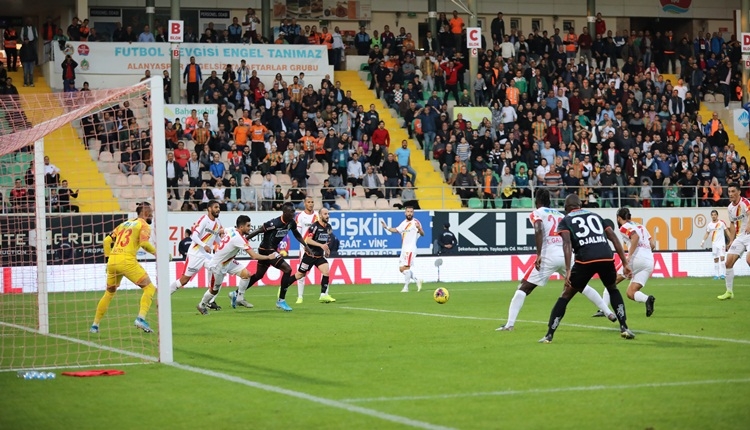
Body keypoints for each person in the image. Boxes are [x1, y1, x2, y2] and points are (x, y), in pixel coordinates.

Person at [497, 189, 616, 331]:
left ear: (537, 201)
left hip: (549, 255)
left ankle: (509, 324)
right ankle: (608, 312)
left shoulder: (537, 213)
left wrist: (539, 253)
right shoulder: (560, 215)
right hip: (566, 255)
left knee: (524, 288)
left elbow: (538, 228)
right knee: (582, 286)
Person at [538, 194, 635, 343]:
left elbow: (567, 244)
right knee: (613, 289)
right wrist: (625, 262)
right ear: (580, 205)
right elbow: (613, 238)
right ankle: (624, 327)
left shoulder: (566, 221)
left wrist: (569, 270)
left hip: (585, 260)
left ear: (566, 208)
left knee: (565, 296)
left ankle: (549, 334)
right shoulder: (595, 216)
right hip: (606, 256)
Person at [230, 202, 311, 311]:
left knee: (258, 275)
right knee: (287, 269)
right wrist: (243, 240)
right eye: (291, 211)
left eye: (294, 211)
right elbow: (258, 231)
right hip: (266, 250)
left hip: (271, 250)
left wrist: (305, 246)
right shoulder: (274, 223)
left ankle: (235, 293)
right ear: (285, 212)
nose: (294, 213)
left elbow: (296, 234)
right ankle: (281, 301)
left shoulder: (291, 222)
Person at [90, 203, 158, 333]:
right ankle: (140, 318)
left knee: (109, 293)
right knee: (149, 288)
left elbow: (106, 241)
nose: (152, 215)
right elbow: (144, 243)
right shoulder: (143, 225)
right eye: (151, 212)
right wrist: (157, 253)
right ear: (146, 212)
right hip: (126, 260)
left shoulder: (124, 224)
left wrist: (108, 258)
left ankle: (95, 325)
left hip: (112, 261)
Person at [197, 215, 279, 314]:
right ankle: (201, 305)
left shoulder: (232, 230)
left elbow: (220, 231)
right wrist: (268, 257)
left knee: (246, 275)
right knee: (214, 290)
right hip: (218, 266)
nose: (250, 228)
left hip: (228, 262)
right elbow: (254, 256)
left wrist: (219, 241)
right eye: (248, 226)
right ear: (241, 227)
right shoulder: (239, 239)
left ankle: (240, 298)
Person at [593, 208, 656, 318]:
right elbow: (653, 244)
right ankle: (647, 299)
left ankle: (604, 309)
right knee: (631, 292)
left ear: (618, 218)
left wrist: (630, 256)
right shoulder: (641, 226)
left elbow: (635, 237)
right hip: (649, 261)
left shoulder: (624, 227)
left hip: (636, 259)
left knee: (611, 281)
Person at [170, 201, 223, 311]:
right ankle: (164, 295)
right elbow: (194, 236)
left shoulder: (218, 223)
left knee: (219, 271)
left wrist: (224, 246)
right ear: (209, 209)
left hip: (206, 256)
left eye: (219, 207)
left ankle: (209, 302)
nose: (218, 209)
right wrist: (204, 245)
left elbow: (218, 239)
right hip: (195, 254)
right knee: (183, 281)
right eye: (216, 207)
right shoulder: (204, 220)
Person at [293, 207, 336, 303]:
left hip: (319, 256)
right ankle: (285, 284)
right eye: (325, 214)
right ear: (320, 215)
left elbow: (328, 239)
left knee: (326, 271)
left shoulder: (329, 227)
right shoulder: (314, 226)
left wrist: (327, 249)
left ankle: (323, 295)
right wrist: (321, 245)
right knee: (300, 275)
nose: (327, 216)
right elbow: (308, 240)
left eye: (328, 214)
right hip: (310, 255)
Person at [380, 206, 423, 292]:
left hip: (410, 249)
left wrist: (419, 228)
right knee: (401, 269)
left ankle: (406, 287)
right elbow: (396, 230)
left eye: (411, 212)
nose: (409, 213)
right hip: (404, 249)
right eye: (408, 211)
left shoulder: (416, 222)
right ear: (405, 213)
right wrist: (386, 227)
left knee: (406, 268)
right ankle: (417, 280)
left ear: (413, 213)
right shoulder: (403, 223)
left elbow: (422, 234)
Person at [718, 184, 750, 300]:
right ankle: (729, 292)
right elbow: (732, 224)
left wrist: (749, 225)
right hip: (740, 237)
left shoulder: (745, 202)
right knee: (728, 263)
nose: (730, 194)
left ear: (739, 192)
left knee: (749, 260)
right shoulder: (730, 207)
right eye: (729, 191)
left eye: (733, 191)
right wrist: (731, 240)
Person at [294, 196, 318, 304]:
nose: (311, 204)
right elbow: (297, 234)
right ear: (304, 203)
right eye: (309, 202)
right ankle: (300, 297)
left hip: (316, 248)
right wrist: (303, 245)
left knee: (324, 270)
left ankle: (325, 294)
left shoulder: (317, 215)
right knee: (302, 273)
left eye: (312, 202)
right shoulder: (300, 216)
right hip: (304, 248)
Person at [701, 209, 728, 280]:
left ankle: (723, 274)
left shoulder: (721, 223)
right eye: (712, 215)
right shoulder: (709, 225)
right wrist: (703, 241)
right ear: (711, 216)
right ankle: (716, 275)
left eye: (715, 215)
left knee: (722, 258)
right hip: (714, 244)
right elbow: (707, 233)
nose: (713, 216)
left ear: (717, 215)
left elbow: (726, 231)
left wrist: (731, 240)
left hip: (721, 243)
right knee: (715, 259)